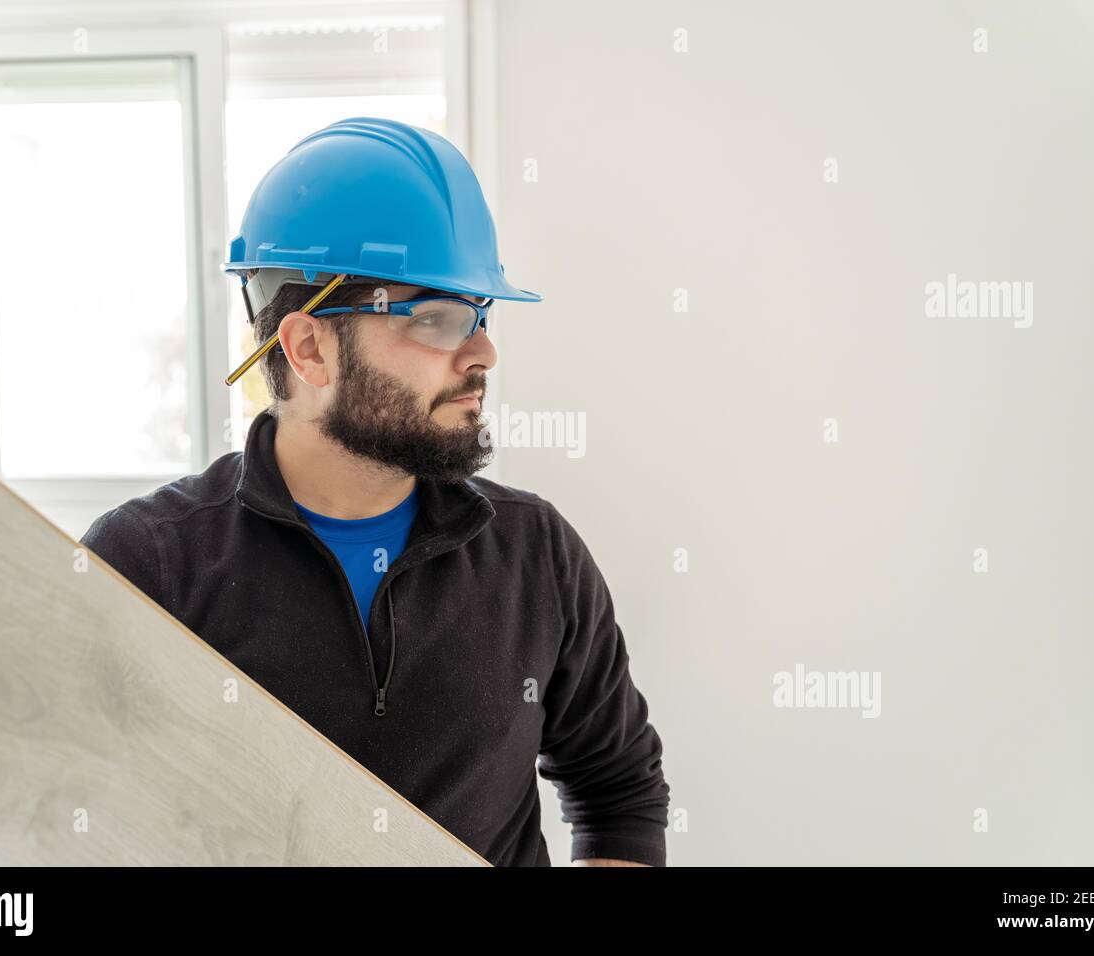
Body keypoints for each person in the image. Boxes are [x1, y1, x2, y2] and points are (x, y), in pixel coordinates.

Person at [80, 117, 669, 866]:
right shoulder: (150, 566)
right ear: (308, 347)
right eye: (437, 317)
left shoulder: (536, 553)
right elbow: (57, 813)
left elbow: (619, 792)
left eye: (480, 315)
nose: (484, 351)